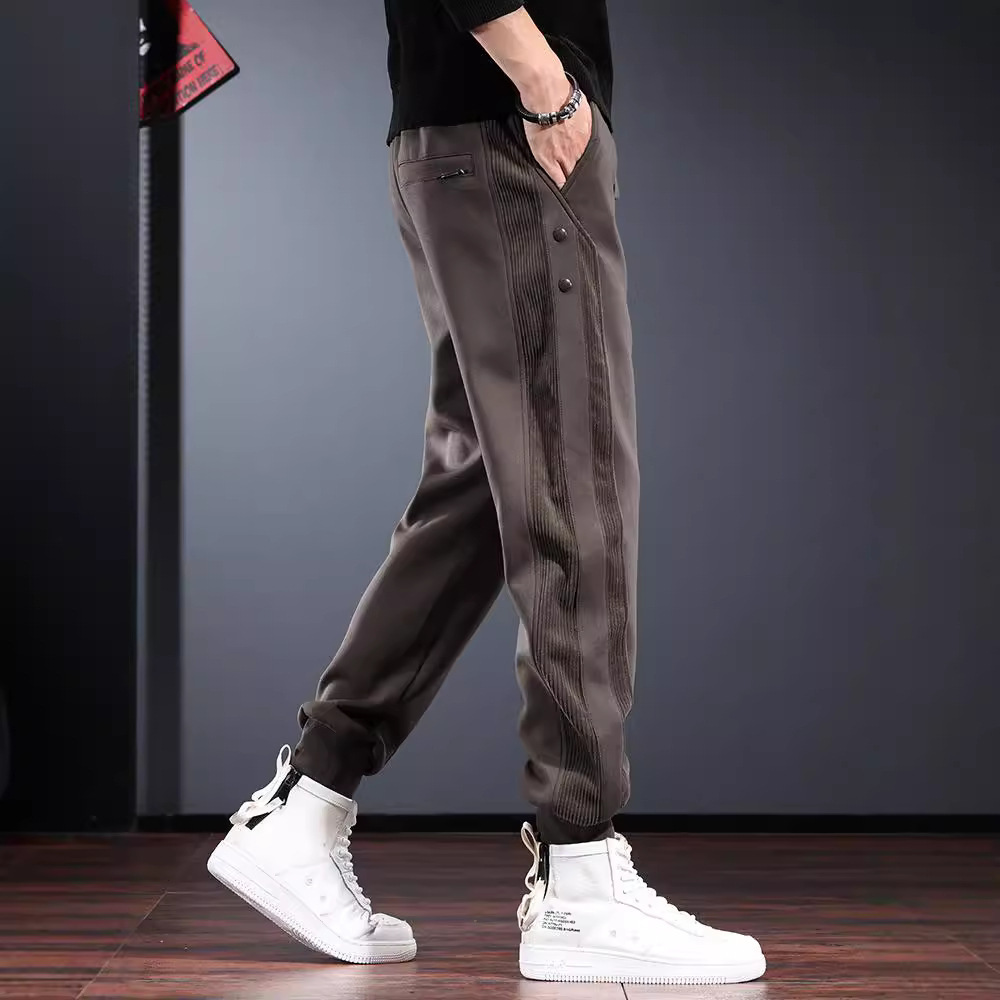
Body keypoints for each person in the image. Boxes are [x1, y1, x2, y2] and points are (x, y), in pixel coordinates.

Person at [208, 1, 766, 985]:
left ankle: (308, 802)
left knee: (484, 484)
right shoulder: (529, 103)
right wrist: (545, 86)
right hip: (511, 127)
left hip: (461, 133)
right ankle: (581, 872)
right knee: (573, 479)